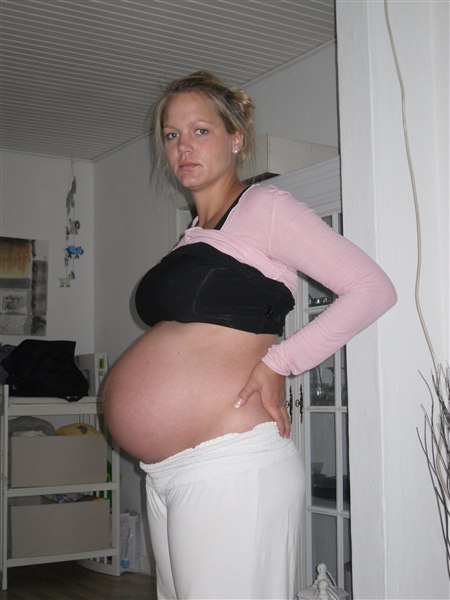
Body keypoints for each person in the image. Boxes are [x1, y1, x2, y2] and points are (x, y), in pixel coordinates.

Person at [102, 71, 397, 600]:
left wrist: (280, 362)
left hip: (230, 463)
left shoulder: (265, 208)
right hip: (168, 472)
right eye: (171, 135)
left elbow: (372, 289)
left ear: (236, 138)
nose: (183, 147)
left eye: (200, 131)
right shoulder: (192, 235)